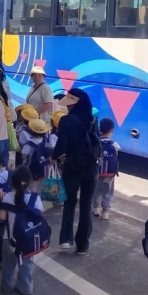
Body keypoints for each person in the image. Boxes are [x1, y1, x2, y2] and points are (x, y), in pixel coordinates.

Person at [50, 88, 101, 255]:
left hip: (72, 166)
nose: (67, 107)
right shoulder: (92, 119)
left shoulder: (66, 121)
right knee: (86, 204)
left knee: (70, 201)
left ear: (74, 104)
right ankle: (82, 245)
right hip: (91, 167)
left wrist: (53, 158)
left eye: (69, 104)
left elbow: (62, 145)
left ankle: (65, 239)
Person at [0, 166, 43, 295]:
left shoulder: (7, 197)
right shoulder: (35, 198)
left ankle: (7, 286)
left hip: (9, 239)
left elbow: (1, 217)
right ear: (29, 182)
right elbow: (39, 214)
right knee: (26, 265)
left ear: (12, 182)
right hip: (28, 240)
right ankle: (25, 288)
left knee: (8, 264)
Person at [92, 118, 120, 220]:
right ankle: (105, 212)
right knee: (108, 192)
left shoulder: (96, 142)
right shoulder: (114, 144)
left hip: (97, 171)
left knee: (96, 190)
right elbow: (117, 153)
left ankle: (96, 208)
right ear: (112, 130)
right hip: (110, 173)